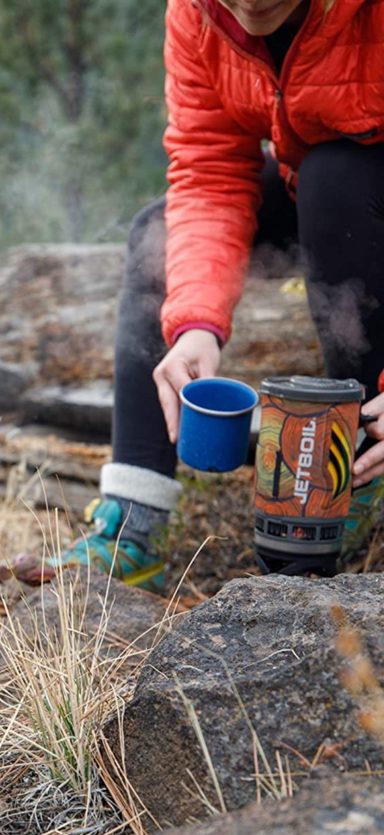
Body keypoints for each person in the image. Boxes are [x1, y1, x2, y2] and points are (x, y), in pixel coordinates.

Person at [52, 0, 384, 592]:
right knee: (160, 234)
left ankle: (359, 466)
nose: (251, 5)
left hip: (350, 195)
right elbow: (209, 174)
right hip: (314, 190)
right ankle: (134, 523)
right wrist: (196, 326)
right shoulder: (197, 15)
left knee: (335, 181)